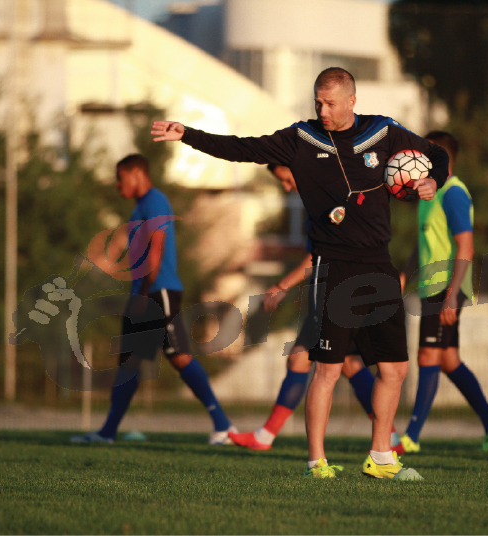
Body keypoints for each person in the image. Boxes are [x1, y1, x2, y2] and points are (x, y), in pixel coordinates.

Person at [153, 67, 449, 479]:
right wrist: (187, 133)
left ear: (351, 101)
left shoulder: (384, 132)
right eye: (317, 102)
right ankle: (317, 461)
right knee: (327, 368)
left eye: (329, 103)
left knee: (395, 368)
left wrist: (434, 179)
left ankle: (381, 455)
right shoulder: (300, 139)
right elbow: (240, 148)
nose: (322, 110)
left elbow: (437, 154)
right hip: (334, 266)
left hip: (380, 264)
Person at [228, 165, 400, 451]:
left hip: (340, 290)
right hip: (335, 290)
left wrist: (283, 285)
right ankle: (389, 438)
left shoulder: (326, 197)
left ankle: (273, 439)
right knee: (333, 362)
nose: (285, 187)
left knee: (320, 361)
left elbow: (320, 253)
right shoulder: (317, 198)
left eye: (285, 179)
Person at [71, 154, 236, 445]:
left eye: (119, 178)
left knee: (178, 355)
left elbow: (156, 250)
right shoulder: (140, 208)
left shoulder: (155, 200)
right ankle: (107, 433)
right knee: (130, 365)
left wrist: (145, 295)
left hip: (158, 292)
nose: (117, 185)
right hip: (144, 292)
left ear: (136, 174)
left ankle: (224, 426)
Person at [395, 131, 488, 455]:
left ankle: (411, 437)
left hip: (446, 286)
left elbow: (466, 246)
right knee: (448, 360)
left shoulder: (453, 193)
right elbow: (425, 241)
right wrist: (405, 273)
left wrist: (451, 294)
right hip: (433, 286)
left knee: (427, 356)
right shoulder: (429, 194)